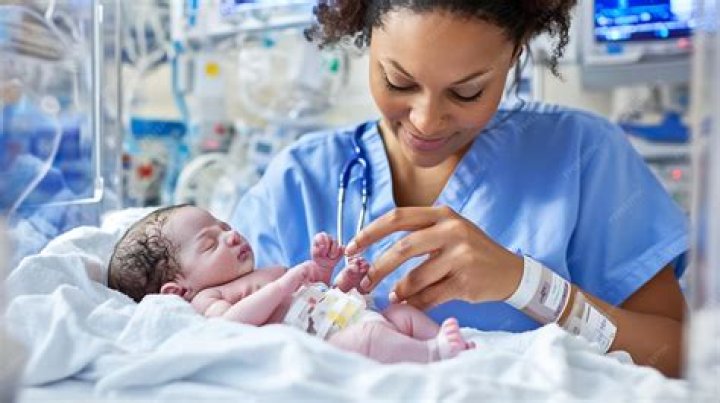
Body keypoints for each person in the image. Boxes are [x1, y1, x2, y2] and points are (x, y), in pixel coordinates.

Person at [228, 1, 688, 377]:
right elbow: (217, 340)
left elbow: (676, 355)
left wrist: (525, 284)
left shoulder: (583, 155)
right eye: (399, 81)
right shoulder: (298, 182)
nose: (426, 121)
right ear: (366, 35)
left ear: (515, 53)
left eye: (467, 92)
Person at [107, 205, 475, 364]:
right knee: (369, 339)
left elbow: (319, 297)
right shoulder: (209, 299)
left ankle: (451, 345)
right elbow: (230, 324)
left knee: (400, 314)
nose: (230, 236)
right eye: (209, 243)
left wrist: (331, 271)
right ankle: (433, 354)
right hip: (332, 341)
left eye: (224, 226)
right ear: (177, 290)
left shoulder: (266, 273)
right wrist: (282, 286)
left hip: (344, 315)